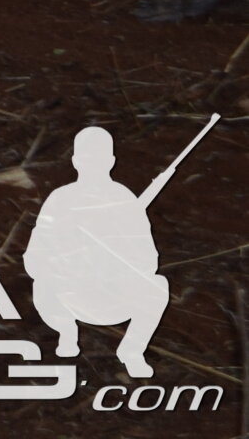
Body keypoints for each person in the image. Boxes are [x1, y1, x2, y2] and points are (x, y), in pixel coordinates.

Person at [26, 119, 201, 378]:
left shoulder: (124, 200)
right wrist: (67, 260)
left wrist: (118, 256)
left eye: (98, 159)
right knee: (42, 284)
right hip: (70, 294)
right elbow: (35, 255)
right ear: (75, 161)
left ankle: (131, 350)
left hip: (114, 295)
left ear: (110, 162)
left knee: (158, 285)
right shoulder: (60, 199)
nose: (91, 165)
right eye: (86, 158)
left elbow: (149, 260)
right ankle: (66, 332)